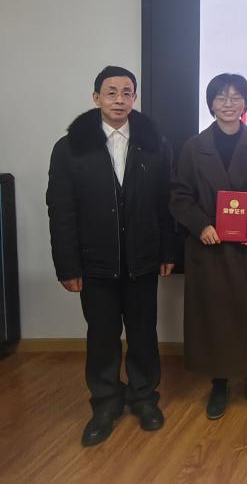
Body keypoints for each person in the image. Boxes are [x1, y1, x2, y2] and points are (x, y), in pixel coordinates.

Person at [46, 66, 175, 446]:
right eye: (111, 92)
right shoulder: (70, 147)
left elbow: (166, 203)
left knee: (143, 333)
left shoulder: (155, 143)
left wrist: (168, 250)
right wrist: (67, 265)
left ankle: (144, 398)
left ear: (135, 98)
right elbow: (61, 210)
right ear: (96, 98)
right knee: (102, 335)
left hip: (143, 258)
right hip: (94, 263)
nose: (119, 100)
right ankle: (105, 403)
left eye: (127, 92)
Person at [169, 73, 247, 420]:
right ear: (211, 103)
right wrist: (201, 225)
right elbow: (179, 196)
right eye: (221, 97)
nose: (228, 104)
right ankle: (219, 383)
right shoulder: (193, 147)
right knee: (214, 315)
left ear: (246, 103)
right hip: (209, 247)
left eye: (235, 97)